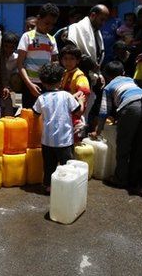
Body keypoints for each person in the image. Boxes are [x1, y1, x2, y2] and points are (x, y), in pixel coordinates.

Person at [32, 63, 85, 193]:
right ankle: (66, 188)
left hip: (47, 141)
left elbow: (35, 114)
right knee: (67, 166)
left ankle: (49, 187)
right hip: (64, 141)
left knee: (49, 166)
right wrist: (81, 101)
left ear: (43, 83)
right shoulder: (66, 96)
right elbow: (79, 112)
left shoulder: (41, 98)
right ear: (61, 80)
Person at [92, 61, 142, 189]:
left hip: (130, 107)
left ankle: (120, 179)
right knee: (140, 144)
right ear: (123, 73)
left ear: (106, 76)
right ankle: (138, 177)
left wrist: (98, 131)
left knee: (123, 145)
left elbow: (104, 111)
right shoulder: (130, 80)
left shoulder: (108, 87)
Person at [17, 3, 60, 108]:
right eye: (47, 23)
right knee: (29, 114)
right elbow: (20, 64)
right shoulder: (27, 37)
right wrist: (29, 85)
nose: (49, 27)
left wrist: (53, 82)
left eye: (52, 24)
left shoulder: (52, 39)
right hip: (30, 84)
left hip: (47, 85)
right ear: (38, 19)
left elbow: (55, 62)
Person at [60, 45, 91, 142]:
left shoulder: (80, 76)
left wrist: (65, 99)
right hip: (64, 114)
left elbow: (83, 92)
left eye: (72, 59)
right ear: (61, 60)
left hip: (75, 116)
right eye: (65, 59)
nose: (68, 62)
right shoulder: (64, 73)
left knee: (74, 144)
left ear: (77, 61)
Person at [0, 31, 20, 116]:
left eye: (12, 47)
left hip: (14, 89)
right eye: (6, 46)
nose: (8, 49)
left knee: (15, 110)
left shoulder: (17, 58)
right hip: (0, 87)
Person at [99, 0, 122, 65]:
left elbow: (120, 38)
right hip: (99, 55)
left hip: (113, 56)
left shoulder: (117, 22)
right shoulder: (97, 22)